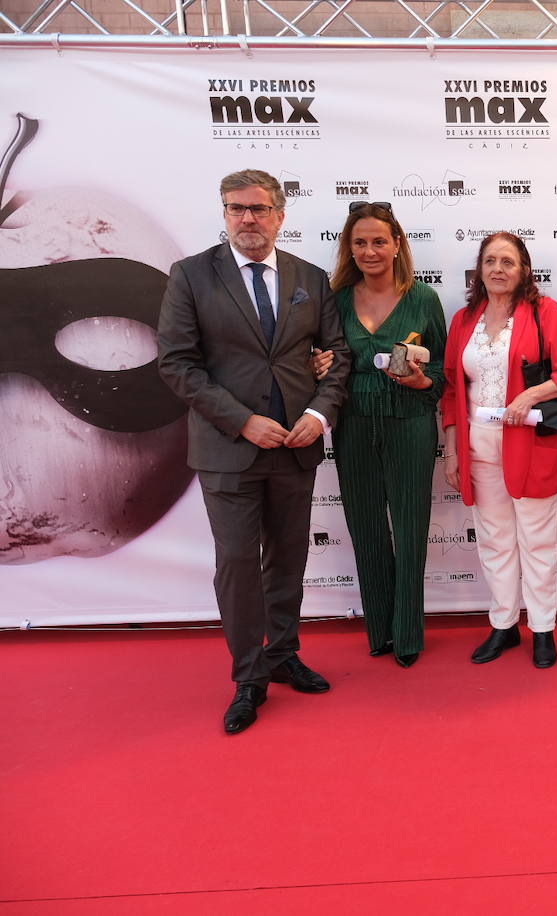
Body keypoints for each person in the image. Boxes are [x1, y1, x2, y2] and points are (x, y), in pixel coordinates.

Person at [157, 169, 351, 734]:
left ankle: (283, 653)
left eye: (259, 208)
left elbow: (336, 355)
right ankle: (249, 676)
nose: (248, 218)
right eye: (236, 208)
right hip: (227, 449)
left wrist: (318, 415)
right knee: (239, 563)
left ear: (279, 216)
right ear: (224, 213)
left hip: (295, 446)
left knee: (288, 557)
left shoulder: (310, 278)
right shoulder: (191, 275)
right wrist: (242, 421)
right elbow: (177, 363)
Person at [440, 232, 557, 669]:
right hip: (477, 448)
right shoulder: (464, 319)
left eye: (508, 261)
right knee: (494, 542)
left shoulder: (545, 312)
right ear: (479, 269)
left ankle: (542, 629)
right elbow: (452, 389)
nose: (498, 269)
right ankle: (503, 624)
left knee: (537, 543)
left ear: (524, 269)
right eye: (490, 261)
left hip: (531, 445)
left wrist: (529, 396)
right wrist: (452, 451)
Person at [326, 202, 446, 668]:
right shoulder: (336, 300)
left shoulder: (423, 299)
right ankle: (379, 628)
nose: (370, 250)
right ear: (349, 248)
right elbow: (324, 358)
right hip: (353, 422)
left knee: (411, 528)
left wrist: (421, 381)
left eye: (379, 241)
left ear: (397, 244)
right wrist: (317, 364)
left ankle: (407, 633)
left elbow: (442, 371)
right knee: (366, 527)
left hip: (410, 422)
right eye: (360, 242)